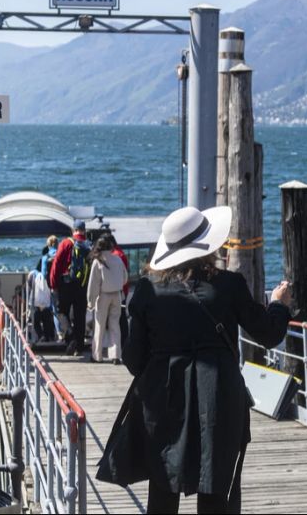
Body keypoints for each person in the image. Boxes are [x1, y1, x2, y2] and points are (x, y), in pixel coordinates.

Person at [96, 205, 292, 514]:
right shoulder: (229, 285)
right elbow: (269, 334)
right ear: (207, 245)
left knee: (162, 488)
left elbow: (134, 361)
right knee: (214, 489)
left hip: (163, 399)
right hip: (218, 397)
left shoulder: (148, 290)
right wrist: (279, 305)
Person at [50, 220, 92, 355]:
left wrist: (53, 284)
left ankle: (70, 336)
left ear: (73, 230)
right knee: (80, 316)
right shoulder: (89, 245)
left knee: (61, 311)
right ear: (84, 230)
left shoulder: (66, 243)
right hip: (83, 285)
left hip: (66, 284)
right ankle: (79, 347)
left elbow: (56, 264)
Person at [86, 235, 128, 364]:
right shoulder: (117, 259)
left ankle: (97, 356)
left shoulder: (98, 261)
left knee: (100, 326)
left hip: (103, 296)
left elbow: (93, 284)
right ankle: (115, 355)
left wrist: (90, 301)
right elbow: (125, 278)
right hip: (117, 295)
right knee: (115, 325)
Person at [26, 257, 55, 342]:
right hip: (46, 303)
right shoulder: (49, 275)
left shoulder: (33, 273)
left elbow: (29, 284)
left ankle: (40, 335)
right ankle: (48, 337)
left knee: (36, 321)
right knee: (47, 321)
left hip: (35, 302)